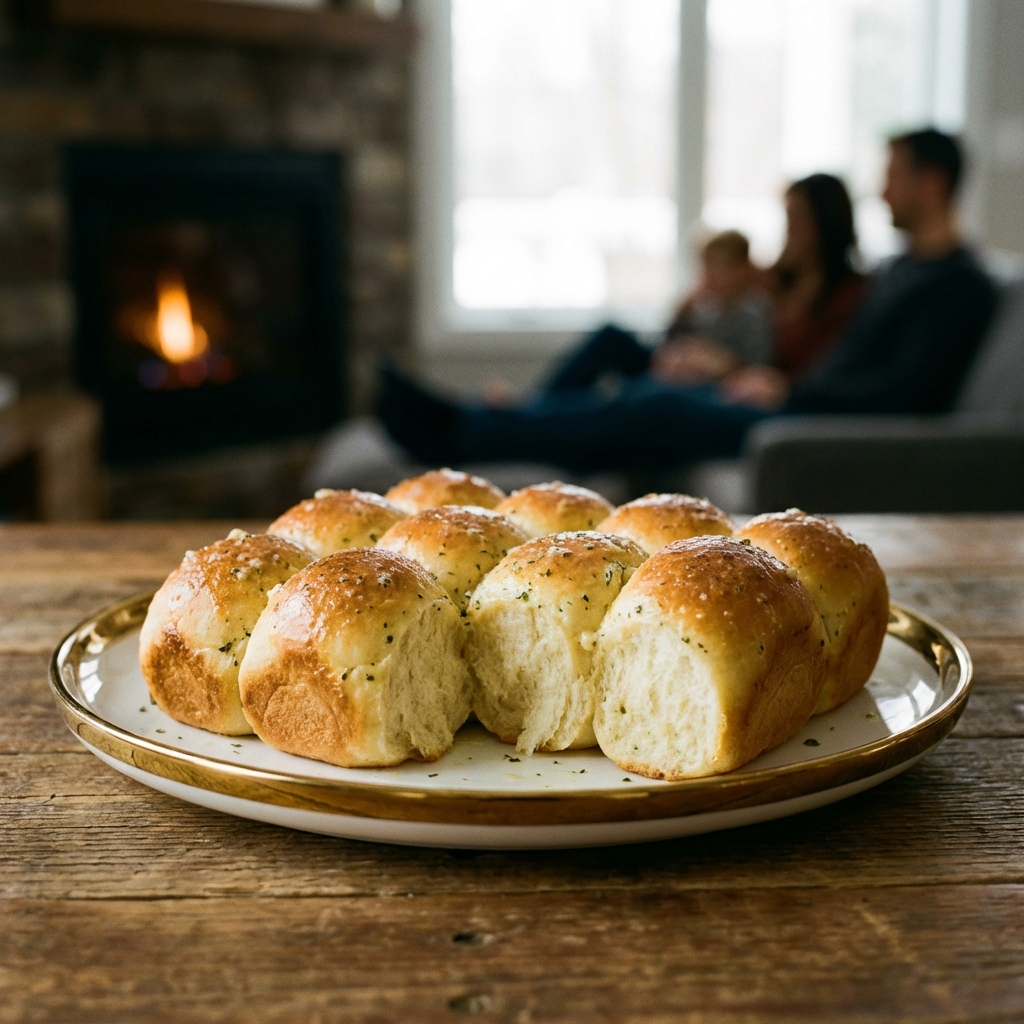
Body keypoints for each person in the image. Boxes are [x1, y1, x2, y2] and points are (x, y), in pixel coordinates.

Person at [380, 129, 998, 474]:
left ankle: (467, 431)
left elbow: (907, 394)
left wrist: (789, 390)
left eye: (893, 176)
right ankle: (483, 422)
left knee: (653, 403)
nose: (881, 190)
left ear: (932, 183)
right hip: (789, 397)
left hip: (808, 419)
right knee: (627, 356)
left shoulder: (958, 283)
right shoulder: (898, 269)